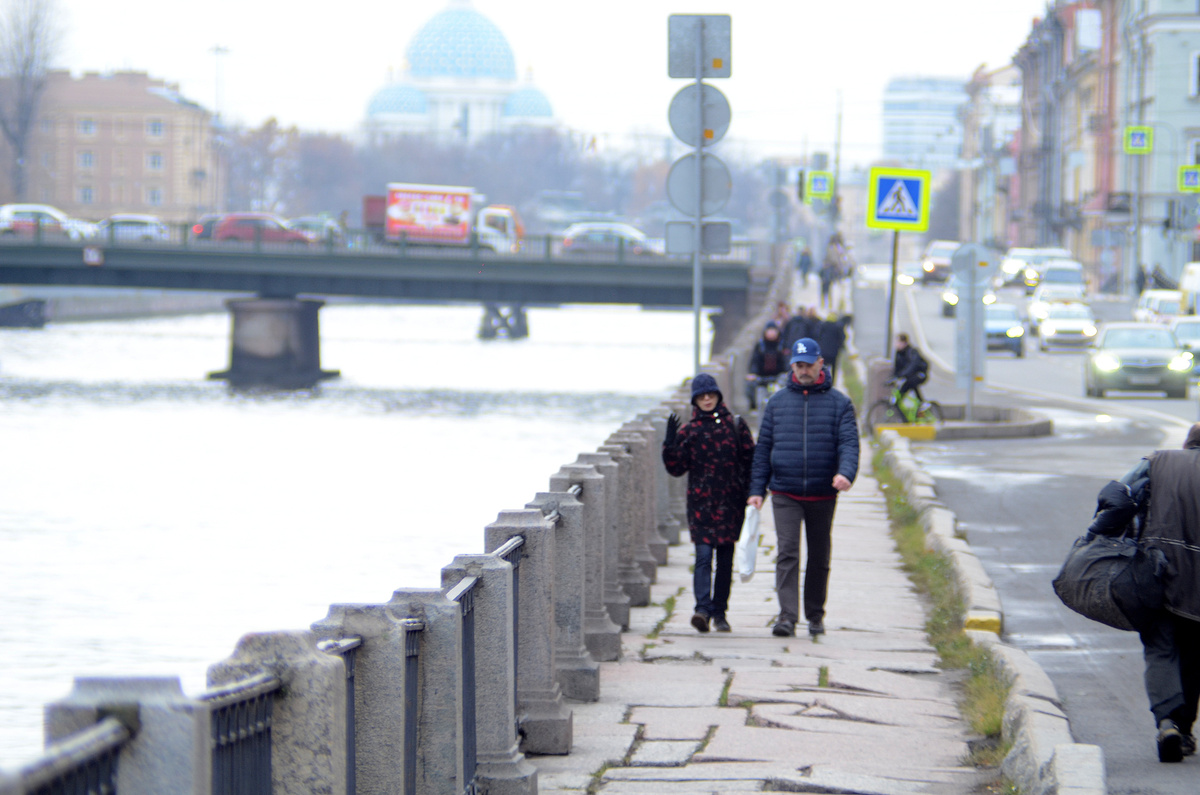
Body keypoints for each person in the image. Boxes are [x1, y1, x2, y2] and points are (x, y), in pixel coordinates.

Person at [1086, 423, 1200, 762]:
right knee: (1193, 653)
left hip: (1158, 572)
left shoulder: (1157, 461)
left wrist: (1094, 536)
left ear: (1186, 444)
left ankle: (1167, 722)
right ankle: (1184, 730)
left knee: (1161, 646)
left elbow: (1118, 496)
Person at [747, 338, 859, 638]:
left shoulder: (840, 403)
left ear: (821, 363)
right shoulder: (777, 403)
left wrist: (845, 473)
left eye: (809, 364)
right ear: (791, 366)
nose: (804, 370)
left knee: (819, 555)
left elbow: (849, 443)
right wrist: (756, 490)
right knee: (787, 552)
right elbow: (764, 449)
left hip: (823, 490)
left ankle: (815, 614)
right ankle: (787, 616)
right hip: (785, 490)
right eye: (799, 365)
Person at [662, 373, 756, 633]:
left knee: (725, 560)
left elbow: (751, 461)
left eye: (710, 394)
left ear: (718, 396)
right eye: (701, 396)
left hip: (730, 504)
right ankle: (702, 609)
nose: (706, 399)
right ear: (695, 400)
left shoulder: (735, 425)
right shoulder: (689, 431)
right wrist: (669, 445)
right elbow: (676, 468)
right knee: (703, 556)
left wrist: (754, 493)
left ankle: (720, 612)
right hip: (700, 506)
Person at [745, 321, 787, 410]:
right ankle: (753, 406)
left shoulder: (782, 346)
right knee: (750, 385)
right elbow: (754, 361)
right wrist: (753, 373)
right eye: (769, 330)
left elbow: (786, 362)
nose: (771, 333)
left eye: (773, 330)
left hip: (778, 377)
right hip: (761, 377)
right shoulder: (760, 346)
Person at [892, 333, 929, 406]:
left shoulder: (912, 352)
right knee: (906, 386)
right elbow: (897, 368)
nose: (897, 344)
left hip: (920, 374)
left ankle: (922, 404)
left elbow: (913, 365)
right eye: (896, 342)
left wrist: (904, 374)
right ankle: (919, 404)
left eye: (899, 342)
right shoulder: (899, 353)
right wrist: (894, 377)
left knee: (908, 384)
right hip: (910, 376)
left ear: (904, 343)